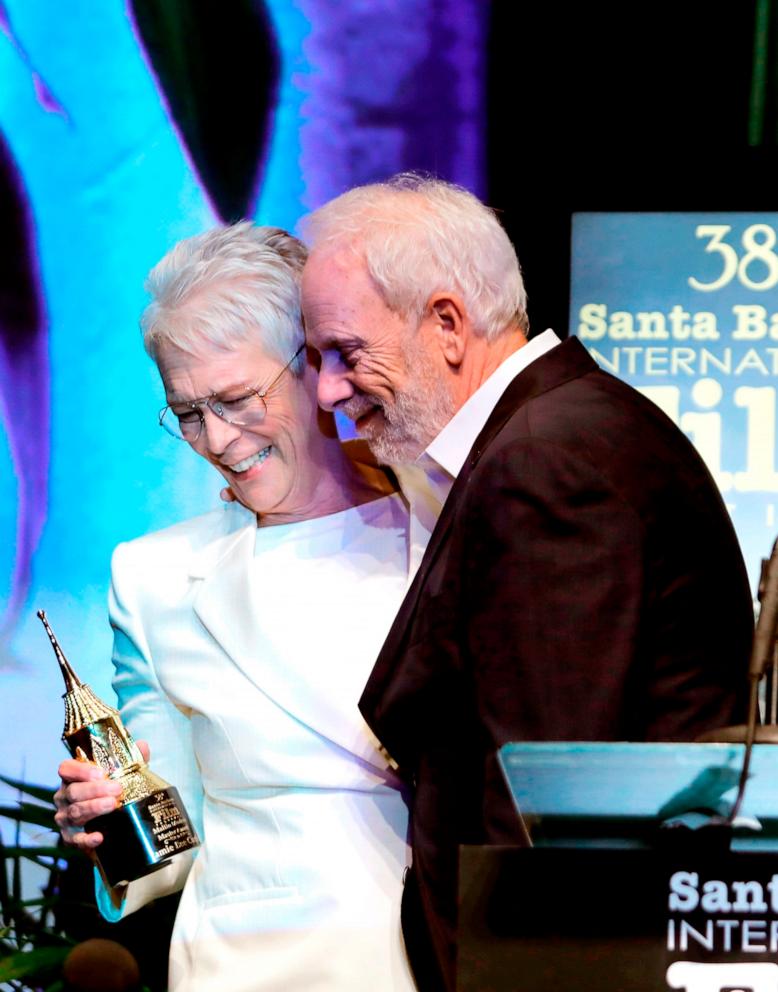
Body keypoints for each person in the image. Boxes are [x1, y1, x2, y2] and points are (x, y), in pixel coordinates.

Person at [300, 173, 755, 991]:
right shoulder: (564, 428)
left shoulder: (544, 462)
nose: (328, 391)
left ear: (446, 323)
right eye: (315, 359)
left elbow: (544, 796)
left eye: (347, 353)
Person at [54, 223, 438, 992]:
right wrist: (110, 826)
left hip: (428, 950)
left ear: (318, 369)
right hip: (246, 962)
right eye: (188, 413)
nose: (218, 440)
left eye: (235, 399)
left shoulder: (441, 529)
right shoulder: (155, 576)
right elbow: (172, 823)